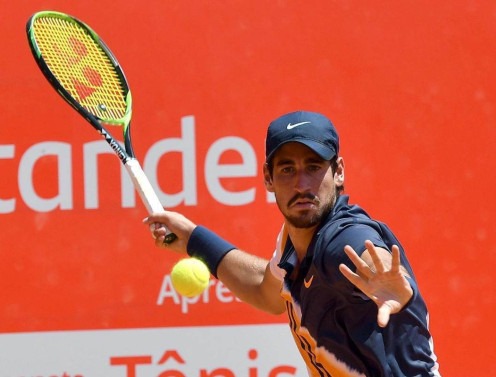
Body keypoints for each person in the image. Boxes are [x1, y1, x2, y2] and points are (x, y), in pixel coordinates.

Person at [145, 110, 441, 376]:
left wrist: (395, 283)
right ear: (268, 178)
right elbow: (266, 291)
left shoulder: (341, 239)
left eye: (313, 167)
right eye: (287, 169)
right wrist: (194, 240)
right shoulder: (292, 242)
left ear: (338, 172)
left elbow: (364, 249)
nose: (301, 185)